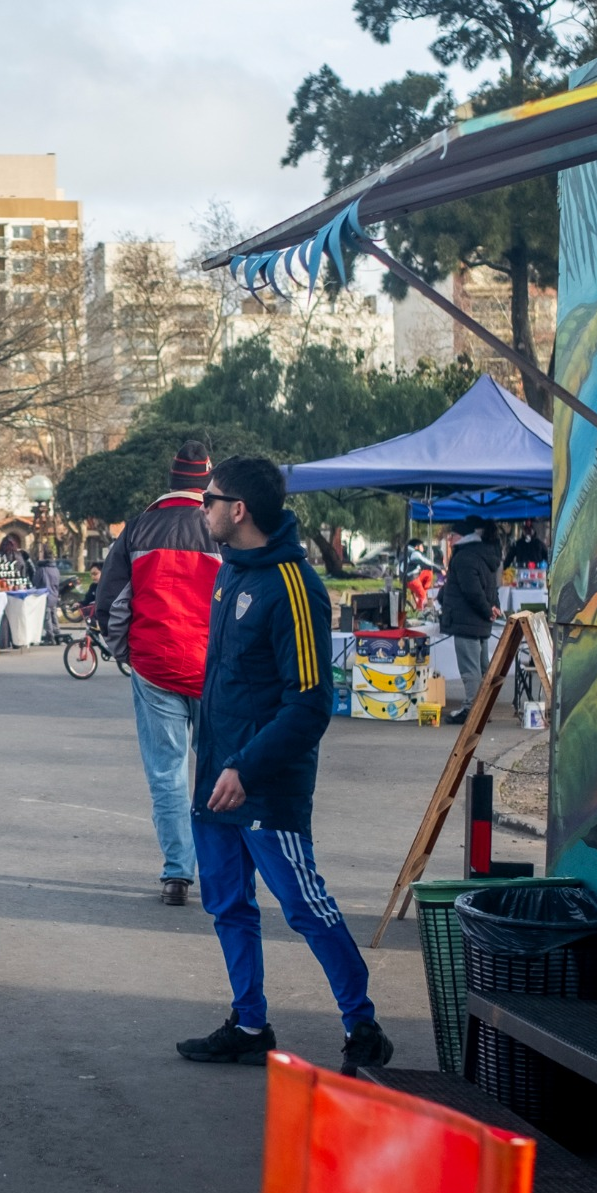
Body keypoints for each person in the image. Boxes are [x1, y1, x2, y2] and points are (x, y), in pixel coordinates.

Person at [177, 455, 391, 1076]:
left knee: (305, 906)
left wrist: (245, 768)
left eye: (209, 500)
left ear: (238, 510)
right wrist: (216, 764)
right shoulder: (230, 572)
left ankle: (363, 1027)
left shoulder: (294, 587)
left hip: (264, 788)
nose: (203, 509)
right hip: (216, 781)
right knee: (228, 906)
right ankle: (249, 1025)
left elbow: (310, 705)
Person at [95, 441, 221, 905]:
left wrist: (125, 653)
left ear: (171, 480)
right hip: (214, 668)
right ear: (207, 482)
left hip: (155, 665)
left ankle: (177, 874)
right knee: (218, 770)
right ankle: (222, 871)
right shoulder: (222, 526)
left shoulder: (139, 527)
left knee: (167, 773)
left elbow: (110, 602)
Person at [437, 519, 504, 712]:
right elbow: (490, 587)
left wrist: (487, 609)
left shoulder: (464, 557)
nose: (449, 540)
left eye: (452, 536)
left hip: (466, 620)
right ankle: (483, 708)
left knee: (470, 669)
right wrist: (492, 608)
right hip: (480, 621)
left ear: (462, 537)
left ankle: (472, 709)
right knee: (481, 668)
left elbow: (472, 591)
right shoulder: (483, 553)